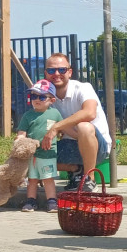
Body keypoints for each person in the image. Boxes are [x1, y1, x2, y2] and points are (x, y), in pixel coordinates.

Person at [41, 53, 112, 193]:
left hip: (97, 147)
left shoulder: (83, 88)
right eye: (51, 70)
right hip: (70, 145)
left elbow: (90, 112)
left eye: (62, 70)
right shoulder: (45, 97)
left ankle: (89, 179)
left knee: (84, 126)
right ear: (45, 73)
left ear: (70, 72)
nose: (56, 74)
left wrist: (57, 126)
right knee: (31, 152)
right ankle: (76, 170)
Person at [17, 80, 64, 213]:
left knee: (48, 178)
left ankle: (52, 201)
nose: (37, 99)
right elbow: (22, 133)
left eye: (42, 97)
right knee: (32, 179)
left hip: (48, 153)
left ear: (52, 100)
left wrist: (66, 134)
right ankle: (31, 201)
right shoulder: (28, 116)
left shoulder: (55, 114)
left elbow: (62, 129)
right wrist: (20, 139)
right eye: (34, 96)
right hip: (32, 155)